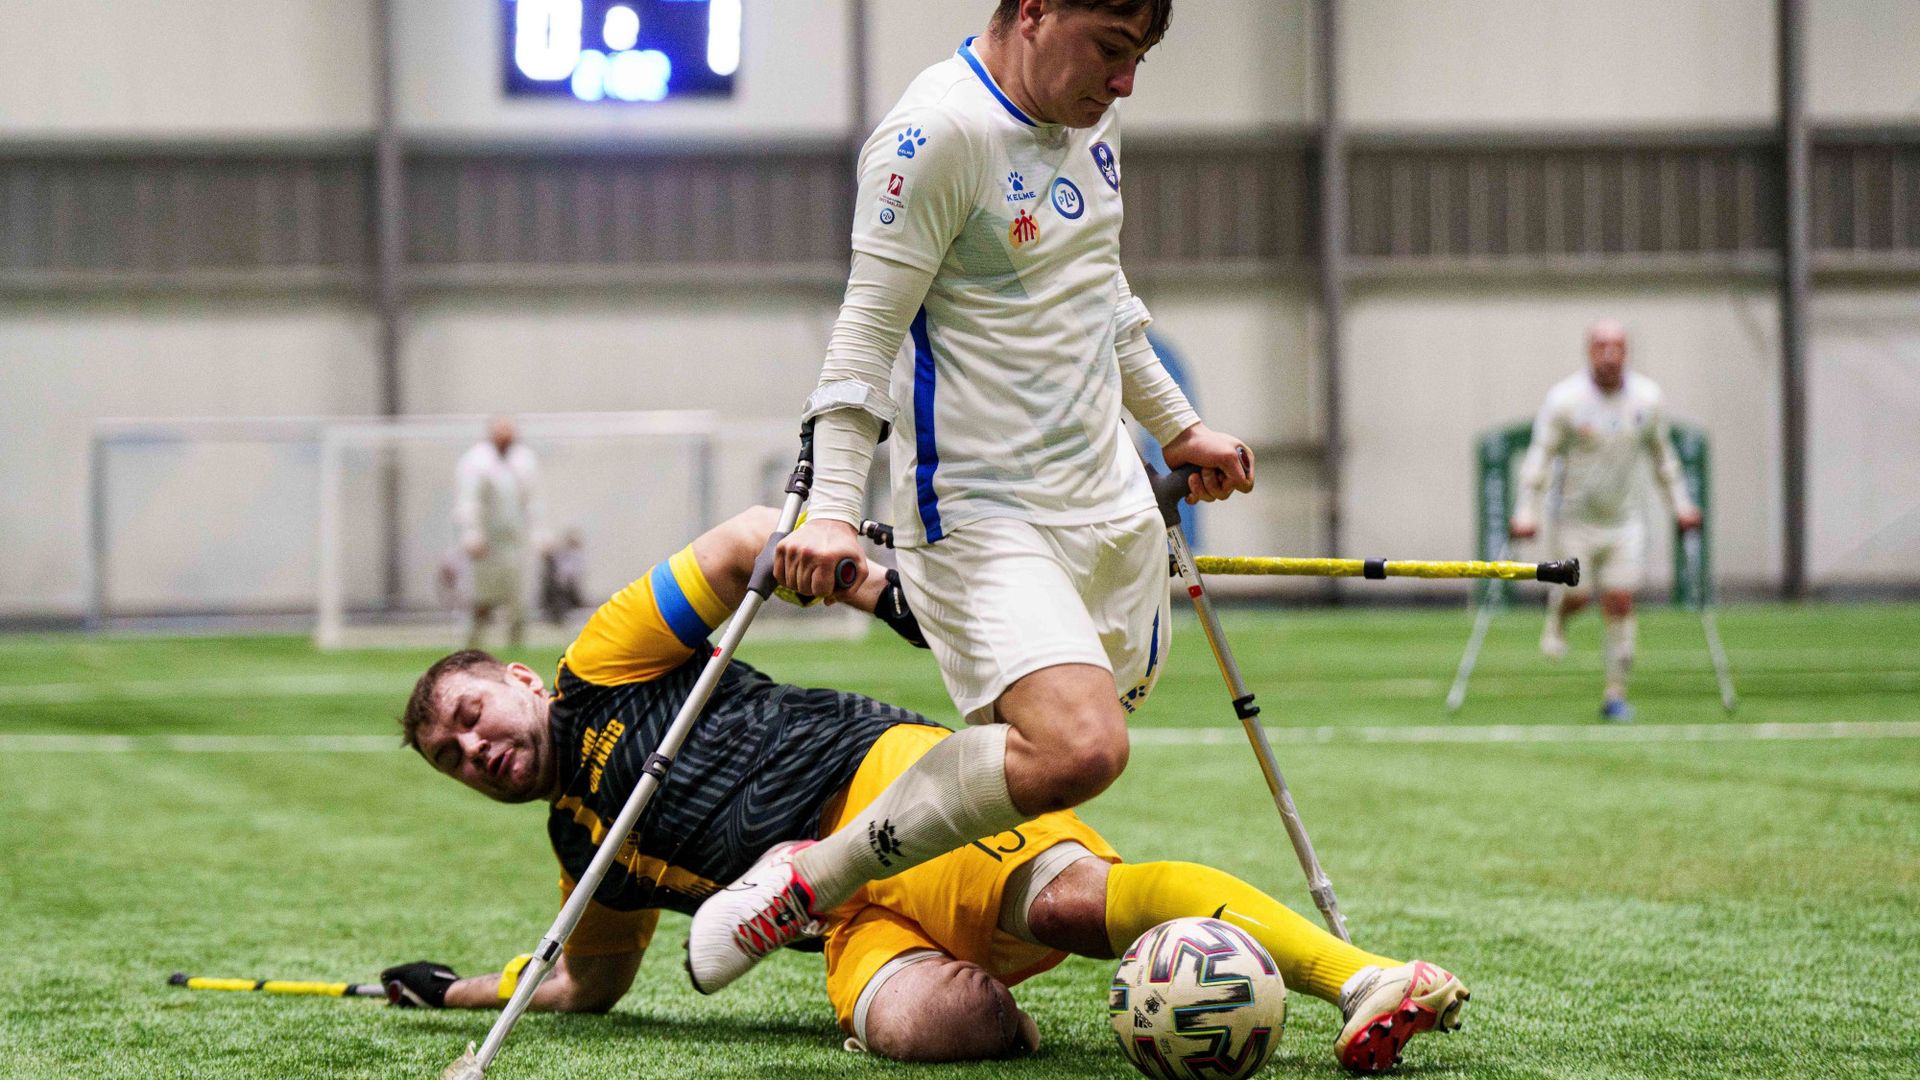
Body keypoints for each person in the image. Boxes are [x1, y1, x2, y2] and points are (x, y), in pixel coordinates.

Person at [382, 507, 1469, 1071]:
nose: (474, 751)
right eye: (451, 759)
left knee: (1073, 902)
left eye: (472, 718)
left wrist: (850, 569)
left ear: (518, 680)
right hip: (841, 922)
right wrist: (460, 991)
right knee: (926, 1026)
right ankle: (1037, 1016)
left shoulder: (599, 665)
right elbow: (585, 986)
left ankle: (1368, 977)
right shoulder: (587, 851)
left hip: (880, 784)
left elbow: (749, 542)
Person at [690, 0, 1264, 998]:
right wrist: (831, 507)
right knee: (1082, 746)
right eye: (1113, 51)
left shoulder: (1091, 118)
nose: (1125, 83)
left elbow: (1103, 295)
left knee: (1057, 749)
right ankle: (814, 878)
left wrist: (1175, 426)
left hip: (1108, 504)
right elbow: (864, 339)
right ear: (1034, 10)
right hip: (981, 512)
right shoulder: (938, 133)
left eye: (1140, 59)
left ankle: (855, 879)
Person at [1509, 320, 1702, 722]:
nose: (1610, 354)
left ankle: (1615, 693)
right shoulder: (1565, 400)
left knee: (1619, 600)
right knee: (1579, 596)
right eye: (1601, 346)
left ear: (1627, 351)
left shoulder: (1647, 400)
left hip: (1625, 522)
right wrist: (1526, 510)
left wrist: (1681, 505)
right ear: (1589, 350)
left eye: (1617, 346)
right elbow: (1540, 455)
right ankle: (1559, 615)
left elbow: (1663, 457)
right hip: (1573, 519)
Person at [454, 416, 543, 648]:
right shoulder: (476, 461)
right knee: (480, 600)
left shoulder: (524, 460)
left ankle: (517, 648)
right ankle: (472, 646)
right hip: (486, 545)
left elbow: (532, 501)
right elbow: (468, 501)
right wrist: (472, 534)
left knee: (519, 600)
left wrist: (539, 535)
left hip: (515, 543)